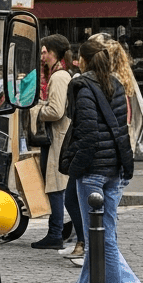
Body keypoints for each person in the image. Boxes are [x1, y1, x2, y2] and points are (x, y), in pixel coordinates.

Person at [50, 35, 143, 283]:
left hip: (93, 172)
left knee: (101, 240)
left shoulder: (82, 86)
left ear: (83, 60)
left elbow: (88, 134)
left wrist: (76, 168)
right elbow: (119, 128)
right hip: (114, 169)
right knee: (103, 236)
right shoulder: (116, 84)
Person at [31, 35, 80, 250]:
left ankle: (56, 233)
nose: (42, 56)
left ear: (54, 53)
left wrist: (36, 110)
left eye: (45, 52)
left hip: (58, 138)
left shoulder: (59, 77)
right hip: (58, 137)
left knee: (56, 187)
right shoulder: (60, 74)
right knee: (57, 186)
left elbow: (56, 111)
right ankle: (61, 231)